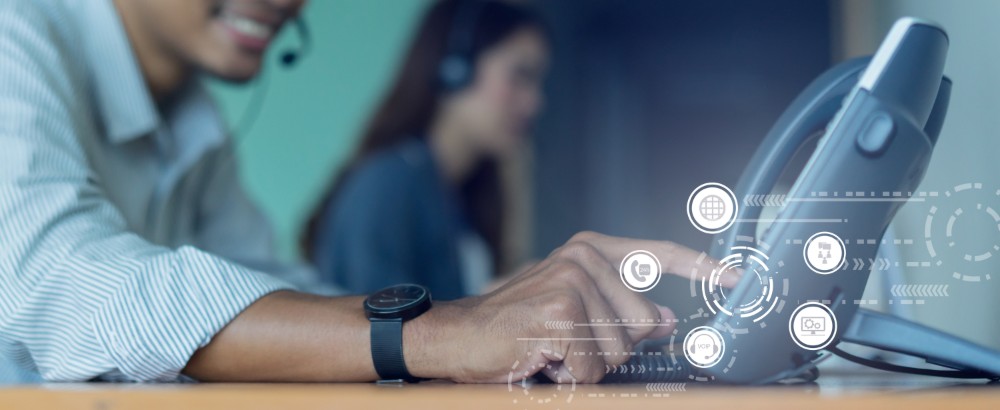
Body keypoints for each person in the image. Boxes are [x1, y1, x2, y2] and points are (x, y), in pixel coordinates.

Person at [0, 0, 739, 384]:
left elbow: (282, 294)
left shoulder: (197, 126)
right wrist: (444, 331)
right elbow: (67, 285)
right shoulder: (14, 35)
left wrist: (501, 311)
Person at [304, 0, 548, 300]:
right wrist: (484, 312)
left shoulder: (460, 194)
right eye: (520, 75)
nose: (534, 102)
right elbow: (378, 334)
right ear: (456, 69)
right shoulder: (389, 182)